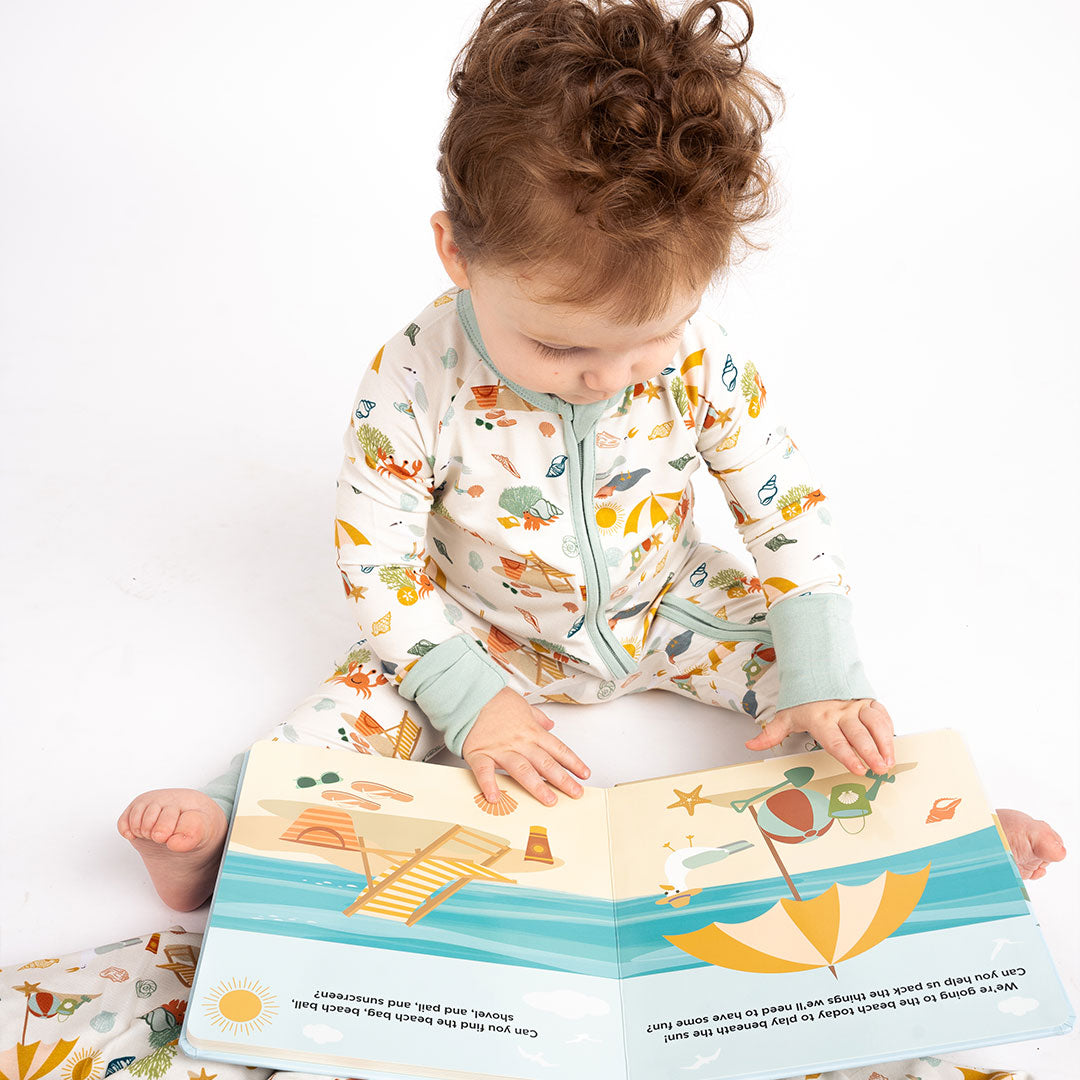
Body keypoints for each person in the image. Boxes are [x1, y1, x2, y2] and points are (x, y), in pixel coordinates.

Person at [117, 0, 1065, 919]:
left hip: (670, 606)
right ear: (456, 252)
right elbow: (379, 562)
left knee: (830, 703)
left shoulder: (702, 357)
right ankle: (223, 824)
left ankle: (947, 827)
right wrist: (468, 697)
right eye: (563, 351)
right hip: (483, 627)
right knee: (358, 703)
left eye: (649, 339)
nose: (605, 380)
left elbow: (783, 510)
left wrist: (820, 665)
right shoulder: (416, 376)